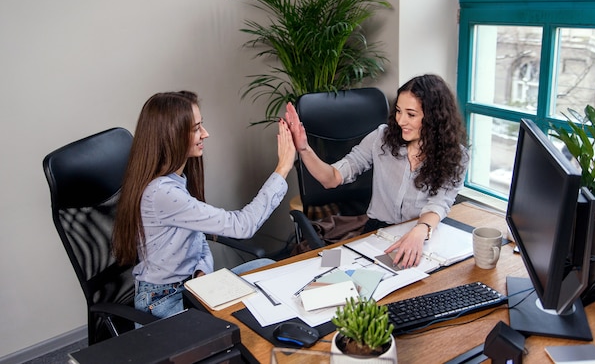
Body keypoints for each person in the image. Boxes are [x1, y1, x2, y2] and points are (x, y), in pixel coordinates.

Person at [112, 90, 295, 319]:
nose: (205, 134)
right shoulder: (162, 193)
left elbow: (198, 238)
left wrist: (202, 271)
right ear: (172, 135)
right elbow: (242, 226)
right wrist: (283, 168)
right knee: (248, 323)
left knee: (268, 268)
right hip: (164, 304)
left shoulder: (176, 181)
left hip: (192, 288)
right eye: (196, 128)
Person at [285, 74, 468, 269]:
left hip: (423, 233)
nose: (401, 121)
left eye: (411, 114)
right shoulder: (382, 138)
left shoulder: (457, 156)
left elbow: (439, 204)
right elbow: (331, 178)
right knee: (347, 281)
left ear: (434, 118)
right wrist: (304, 148)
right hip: (378, 233)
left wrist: (420, 230)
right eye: (398, 111)